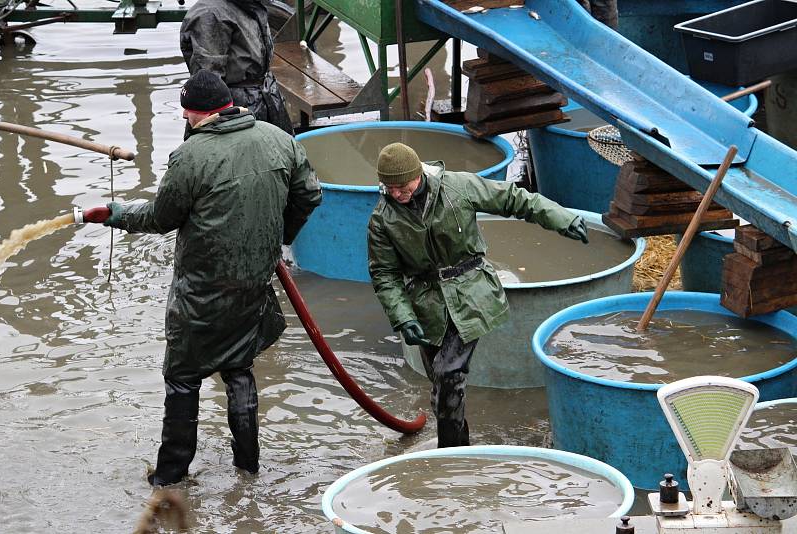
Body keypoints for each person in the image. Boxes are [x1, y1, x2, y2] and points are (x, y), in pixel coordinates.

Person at [97, 70, 322, 485]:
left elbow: (162, 218)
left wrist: (116, 214)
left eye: (185, 110)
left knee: (182, 378)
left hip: (202, 292)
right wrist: (274, 238)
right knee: (239, 366)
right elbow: (310, 194)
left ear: (196, 113)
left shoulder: (191, 156)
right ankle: (248, 467)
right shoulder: (279, 139)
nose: (184, 116)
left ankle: (170, 478)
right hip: (253, 283)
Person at [367, 143, 588, 448]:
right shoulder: (382, 219)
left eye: (402, 187)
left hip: (470, 290)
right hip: (425, 301)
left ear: (417, 175)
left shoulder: (458, 187)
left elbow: (513, 199)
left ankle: (452, 454)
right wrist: (402, 316)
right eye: (389, 188)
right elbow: (384, 274)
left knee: (449, 372)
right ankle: (457, 446)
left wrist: (562, 218)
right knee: (442, 385)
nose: (396, 194)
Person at [180, 0, 294, 135]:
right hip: (236, 107)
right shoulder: (210, 14)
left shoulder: (250, 5)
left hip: (266, 96)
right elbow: (208, 84)